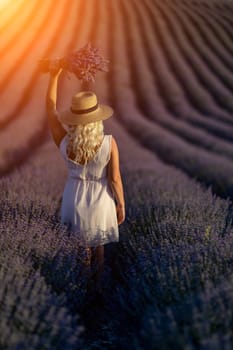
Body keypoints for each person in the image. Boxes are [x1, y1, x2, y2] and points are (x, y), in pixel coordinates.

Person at [46, 65, 125, 293]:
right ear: (97, 118)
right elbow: (115, 178)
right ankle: (98, 294)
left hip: (73, 198)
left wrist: (53, 77)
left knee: (81, 252)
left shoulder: (64, 140)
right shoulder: (109, 143)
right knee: (99, 252)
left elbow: (50, 111)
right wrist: (121, 204)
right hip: (101, 200)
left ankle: (81, 294)